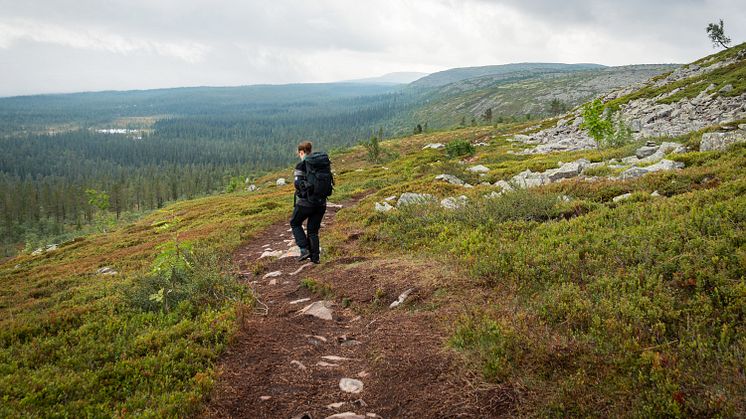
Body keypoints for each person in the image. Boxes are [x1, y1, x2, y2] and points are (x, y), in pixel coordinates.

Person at [290, 141, 331, 264]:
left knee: (295, 222)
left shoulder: (301, 165)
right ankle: (315, 259)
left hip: (307, 203)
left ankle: (304, 249)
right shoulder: (320, 164)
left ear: (301, 152)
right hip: (321, 203)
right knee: (313, 231)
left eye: (299, 153)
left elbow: (297, 184)